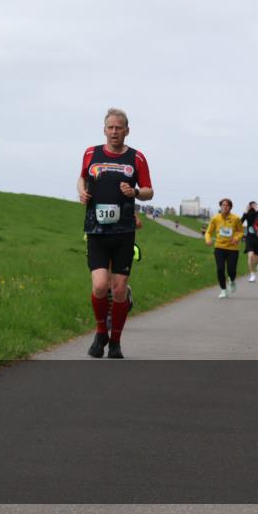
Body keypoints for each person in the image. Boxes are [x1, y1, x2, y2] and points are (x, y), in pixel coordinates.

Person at [78, 108, 154, 359]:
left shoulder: (137, 158)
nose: (114, 132)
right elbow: (81, 178)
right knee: (100, 285)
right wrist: (82, 192)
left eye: (118, 128)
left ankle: (116, 342)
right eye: (110, 127)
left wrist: (135, 193)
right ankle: (101, 332)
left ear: (126, 131)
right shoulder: (91, 153)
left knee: (119, 289)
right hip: (96, 229)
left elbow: (148, 191)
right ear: (104, 130)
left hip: (123, 231)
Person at [205, 198, 245, 298]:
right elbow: (208, 232)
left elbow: (241, 231)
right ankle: (223, 290)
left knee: (231, 271)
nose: (225, 207)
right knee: (220, 269)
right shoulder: (215, 218)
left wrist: (236, 238)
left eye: (227, 205)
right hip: (219, 247)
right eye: (223, 205)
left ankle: (232, 281)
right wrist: (208, 239)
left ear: (230, 207)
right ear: (220, 206)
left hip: (233, 248)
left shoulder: (236, 218)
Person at [239, 200, 258, 282]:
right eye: (251, 205)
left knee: (256, 259)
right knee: (250, 256)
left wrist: (257, 209)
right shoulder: (247, 214)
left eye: (254, 205)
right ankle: (252, 274)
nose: (252, 206)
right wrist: (245, 212)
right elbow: (240, 223)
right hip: (249, 238)